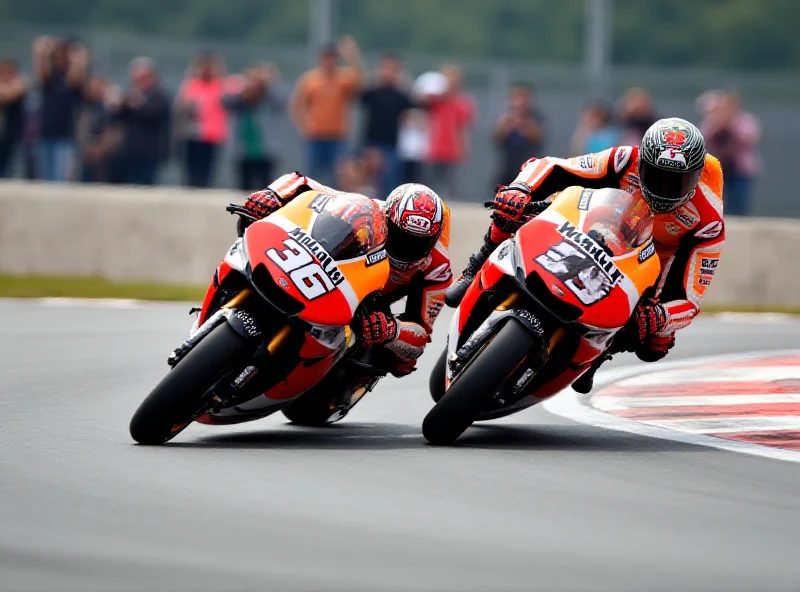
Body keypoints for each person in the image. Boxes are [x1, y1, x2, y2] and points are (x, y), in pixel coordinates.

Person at [446, 117, 725, 393]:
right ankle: (478, 264)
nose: (665, 188)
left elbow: (689, 298)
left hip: (647, 266)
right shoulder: (623, 159)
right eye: (656, 175)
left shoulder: (709, 221)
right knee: (511, 207)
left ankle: (598, 354)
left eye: (678, 181)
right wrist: (521, 189)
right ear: (642, 162)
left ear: (697, 177)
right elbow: (554, 166)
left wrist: (660, 316)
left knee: (655, 345)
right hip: (587, 226)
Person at [237, 175, 453, 378]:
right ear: (387, 219)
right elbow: (303, 183)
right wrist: (272, 195)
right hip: (336, 275)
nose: (405, 248)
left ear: (432, 241)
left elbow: (421, 337)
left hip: (376, 305)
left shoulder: (438, 269)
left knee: (401, 362)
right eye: (400, 237)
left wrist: (391, 330)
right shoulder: (366, 212)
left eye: (417, 244)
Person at [290, 36, 364, 186]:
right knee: (311, 177)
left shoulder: (342, 78)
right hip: (315, 136)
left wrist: (352, 56)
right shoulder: (311, 79)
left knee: (337, 177)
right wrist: (303, 126)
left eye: (332, 58)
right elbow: (297, 104)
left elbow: (360, 82)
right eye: (326, 58)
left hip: (337, 137)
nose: (329, 62)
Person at [32, 35, 90, 181]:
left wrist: (78, 55)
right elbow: (41, 70)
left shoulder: (73, 82)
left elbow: (76, 75)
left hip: (65, 136)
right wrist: (41, 51)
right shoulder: (51, 78)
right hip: (45, 133)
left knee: (60, 178)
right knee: (44, 178)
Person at [223, 64, 287, 192]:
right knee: (243, 189)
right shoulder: (240, 101)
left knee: (266, 190)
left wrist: (267, 85)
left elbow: (282, 101)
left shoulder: (269, 99)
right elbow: (225, 102)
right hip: (243, 151)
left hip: (266, 152)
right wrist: (243, 91)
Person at [111, 57, 171, 186]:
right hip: (129, 149)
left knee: (145, 184)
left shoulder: (160, 96)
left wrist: (136, 103)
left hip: (150, 151)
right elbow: (118, 117)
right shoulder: (130, 94)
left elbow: (154, 113)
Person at [360, 52, 413, 196]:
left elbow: (413, 106)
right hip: (372, 143)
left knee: (391, 183)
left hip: (391, 144)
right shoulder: (373, 92)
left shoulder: (400, 95)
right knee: (368, 182)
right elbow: (360, 94)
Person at [699, 91, 760, 216]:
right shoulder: (711, 122)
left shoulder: (745, 121)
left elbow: (749, 139)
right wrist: (716, 124)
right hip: (716, 169)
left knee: (739, 203)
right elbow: (702, 139)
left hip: (739, 170)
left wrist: (731, 124)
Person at [421, 64, 475, 199]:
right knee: (431, 181)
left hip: (451, 148)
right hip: (433, 147)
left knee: (450, 182)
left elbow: (462, 128)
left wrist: (464, 147)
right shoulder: (434, 100)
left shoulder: (462, 103)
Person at [175, 52, 228, 188]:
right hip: (192, 132)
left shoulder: (221, 85)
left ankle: (205, 186)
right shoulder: (191, 84)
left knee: (208, 167)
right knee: (191, 165)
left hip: (212, 133)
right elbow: (181, 105)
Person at [493, 81, 545, 187]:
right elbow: (497, 136)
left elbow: (537, 136)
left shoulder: (535, 117)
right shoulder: (506, 116)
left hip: (529, 167)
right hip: (508, 167)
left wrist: (524, 122)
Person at [76, 75, 121, 183]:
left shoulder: (111, 108)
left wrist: (101, 149)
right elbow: (81, 129)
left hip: (105, 157)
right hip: (87, 154)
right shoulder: (87, 107)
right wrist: (86, 148)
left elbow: (113, 130)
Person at [0, 58, 28, 177]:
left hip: (15, 138)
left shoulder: (21, 83)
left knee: (14, 175)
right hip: (3, 139)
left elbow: (8, 95)